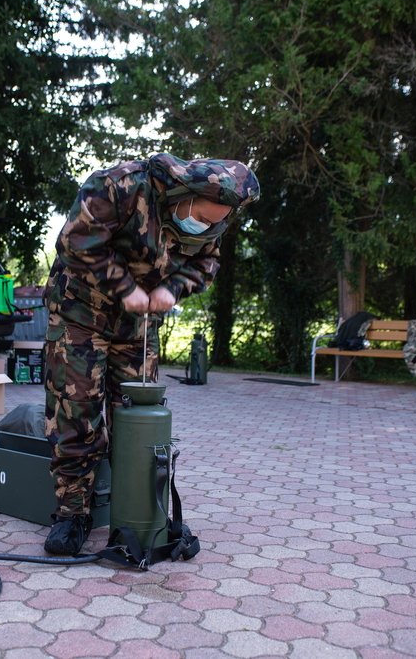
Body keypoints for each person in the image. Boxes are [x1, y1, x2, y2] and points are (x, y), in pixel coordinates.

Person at [42, 153, 260, 555]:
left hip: (138, 323)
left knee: (138, 415)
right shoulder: (121, 185)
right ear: (186, 193)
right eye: (202, 217)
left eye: (216, 221)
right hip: (80, 310)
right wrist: (127, 287)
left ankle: (138, 508)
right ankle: (72, 515)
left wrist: (172, 289)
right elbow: (76, 241)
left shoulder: (214, 219)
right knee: (75, 410)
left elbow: (206, 262)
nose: (207, 226)